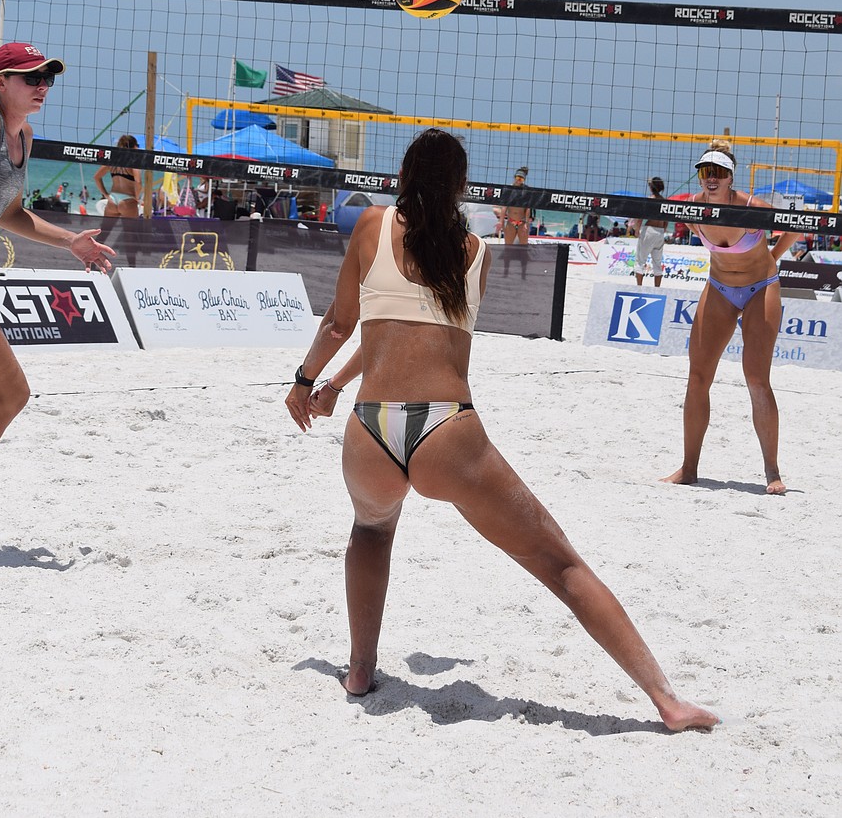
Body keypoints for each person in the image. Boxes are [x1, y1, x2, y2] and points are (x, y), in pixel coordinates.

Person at [285, 128, 717, 731]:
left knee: (371, 531)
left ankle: (359, 669)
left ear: (403, 177)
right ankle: (667, 701)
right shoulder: (473, 251)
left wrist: (310, 382)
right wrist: (327, 382)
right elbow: (426, 329)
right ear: (461, 187)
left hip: (371, 427)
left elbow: (348, 325)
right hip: (445, 431)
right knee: (558, 563)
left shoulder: (371, 225)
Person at [0, 42, 114, 449]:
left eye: (47, 78)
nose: (42, 85)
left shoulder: (23, 136)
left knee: (10, 396)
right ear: (0, 82)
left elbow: (9, 213)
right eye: (31, 77)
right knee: (9, 395)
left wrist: (69, 241)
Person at [662, 144, 799, 496]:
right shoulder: (691, 207)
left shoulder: (753, 207)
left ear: (730, 177)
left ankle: (772, 471)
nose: (712, 178)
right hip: (720, 287)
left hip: (760, 287)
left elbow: (795, 230)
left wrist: (772, 255)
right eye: (706, 172)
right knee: (697, 376)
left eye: (719, 172)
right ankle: (689, 468)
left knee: (756, 378)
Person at [94, 135, 142, 218]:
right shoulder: (133, 162)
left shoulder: (112, 161)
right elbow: (138, 182)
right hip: (128, 199)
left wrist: (106, 194)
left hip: (112, 199)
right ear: (134, 146)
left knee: (106, 230)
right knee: (132, 230)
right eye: (137, 145)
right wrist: (137, 197)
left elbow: (96, 177)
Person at [634, 176, 667, 286]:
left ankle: (639, 287)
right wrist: (663, 231)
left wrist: (637, 230)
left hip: (649, 230)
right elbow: (667, 219)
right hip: (660, 231)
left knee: (640, 261)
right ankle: (657, 288)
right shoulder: (664, 201)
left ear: (651, 187)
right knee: (657, 263)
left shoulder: (649, 199)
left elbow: (640, 217)